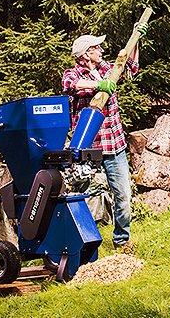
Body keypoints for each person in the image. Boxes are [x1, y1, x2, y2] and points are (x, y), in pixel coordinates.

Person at [61, 24, 147, 250]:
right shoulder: (73, 73)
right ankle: (73, 242)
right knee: (76, 197)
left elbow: (130, 67)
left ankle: (122, 239)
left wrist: (136, 38)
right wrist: (99, 84)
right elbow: (71, 84)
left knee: (123, 198)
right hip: (89, 150)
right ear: (87, 53)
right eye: (97, 47)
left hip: (115, 145)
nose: (101, 50)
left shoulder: (109, 68)